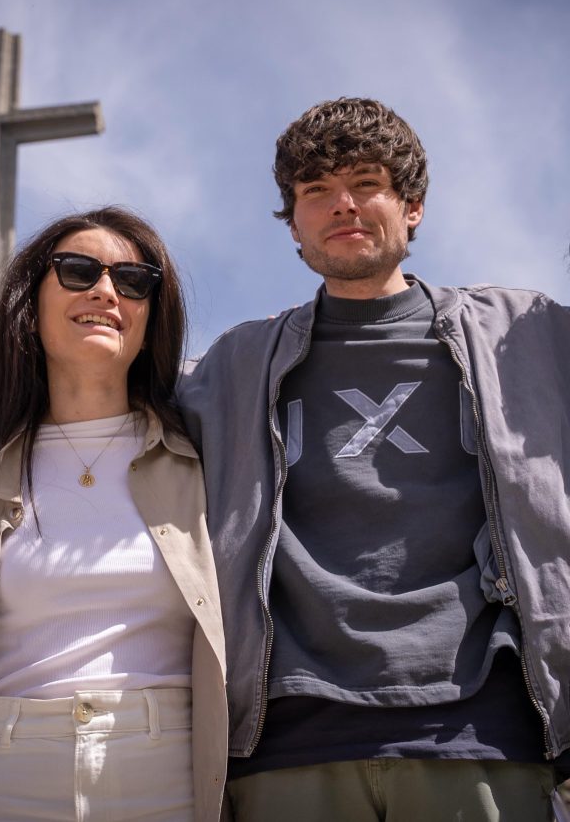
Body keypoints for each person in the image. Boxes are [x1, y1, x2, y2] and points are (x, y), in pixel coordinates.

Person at [176, 98, 570, 820]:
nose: (342, 205)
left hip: (480, 730)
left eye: (365, 182)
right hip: (288, 741)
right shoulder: (233, 366)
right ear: (292, 221)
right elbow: (95, 414)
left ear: (412, 204)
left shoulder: (528, 339)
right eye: (315, 191)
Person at [0, 208, 228, 821]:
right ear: (33, 299)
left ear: (152, 313)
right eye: (78, 271)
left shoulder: (206, 451)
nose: (106, 290)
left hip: (167, 770)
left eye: (134, 280)